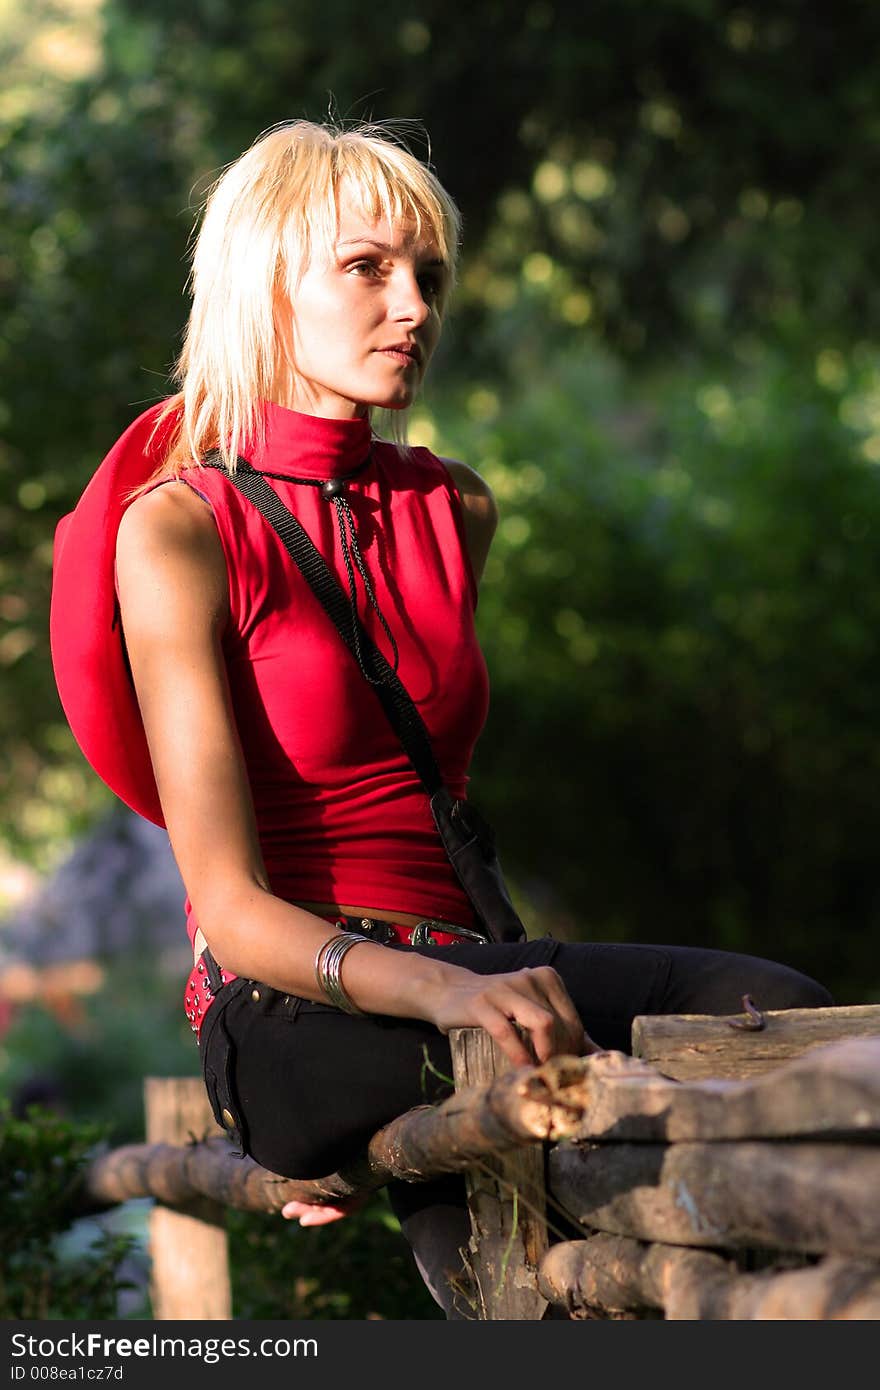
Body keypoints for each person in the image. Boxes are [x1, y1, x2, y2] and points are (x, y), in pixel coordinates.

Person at [51, 120, 832, 1319]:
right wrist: (440, 995)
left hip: (474, 969)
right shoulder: (179, 530)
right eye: (366, 268)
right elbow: (232, 905)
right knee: (499, 1072)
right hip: (299, 1004)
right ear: (267, 285)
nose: (411, 305)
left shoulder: (454, 506)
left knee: (772, 1008)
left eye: (428, 274)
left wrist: (468, 983)